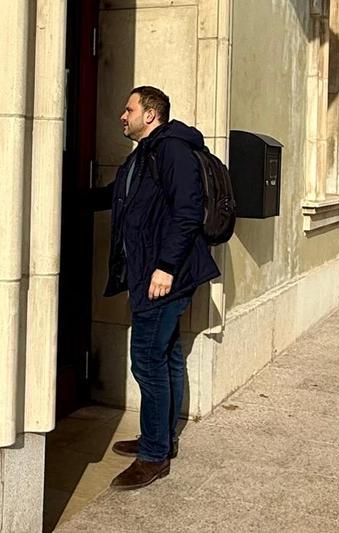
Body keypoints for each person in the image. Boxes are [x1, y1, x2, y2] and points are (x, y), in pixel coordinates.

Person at [97, 86, 220, 490]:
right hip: (149, 273)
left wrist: (165, 267)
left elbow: (187, 211)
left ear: (150, 114)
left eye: (128, 108)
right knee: (165, 356)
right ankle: (161, 439)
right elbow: (119, 198)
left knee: (147, 360)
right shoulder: (144, 155)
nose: (122, 115)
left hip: (166, 275)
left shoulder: (171, 151)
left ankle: (153, 457)